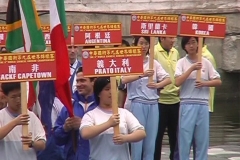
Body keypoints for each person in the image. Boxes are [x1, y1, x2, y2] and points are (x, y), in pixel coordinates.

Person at [122, 36, 171, 160]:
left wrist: (157, 85)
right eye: (141, 43)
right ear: (135, 44)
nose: (143, 46)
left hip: (153, 104)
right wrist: (142, 74)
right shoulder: (130, 61)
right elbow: (122, 80)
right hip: (137, 103)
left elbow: (168, 79)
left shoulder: (153, 63)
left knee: (151, 142)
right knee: (137, 143)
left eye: (146, 44)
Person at [175, 36, 222, 160]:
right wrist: (192, 68)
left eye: (194, 42)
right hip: (187, 103)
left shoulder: (206, 62)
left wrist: (205, 83)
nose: (191, 46)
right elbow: (177, 82)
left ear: (198, 44)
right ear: (184, 46)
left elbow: (218, 81)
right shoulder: (181, 62)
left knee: (202, 139)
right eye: (188, 43)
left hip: (202, 104)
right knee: (185, 138)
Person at [80, 77, 146, 160]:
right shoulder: (91, 115)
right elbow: (85, 133)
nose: (111, 92)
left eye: (114, 89)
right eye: (107, 89)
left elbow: (141, 132)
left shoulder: (124, 113)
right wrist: (108, 124)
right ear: (98, 93)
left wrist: (125, 138)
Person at [54, 67, 97, 160]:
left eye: (82, 81)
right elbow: (56, 139)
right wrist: (65, 128)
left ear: (93, 81)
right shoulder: (69, 107)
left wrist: (83, 125)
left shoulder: (101, 105)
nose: (79, 84)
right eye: (77, 81)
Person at [0, 82, 46, 160]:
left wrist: (32, 143)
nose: (18, 100)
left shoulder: (31, 116)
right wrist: (15, 122)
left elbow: (42, 144)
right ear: (6, 98)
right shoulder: (1, 116)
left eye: (20, 95)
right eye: (13, 97)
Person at [154, 37, 180, 160]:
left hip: (176, 100)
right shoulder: (154, 51)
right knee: (157, 137)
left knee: (175, 137)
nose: (173, 41)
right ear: (162, 38)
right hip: (160, 102)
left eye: (174, 38)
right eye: (170, 38)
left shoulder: (175, 52)